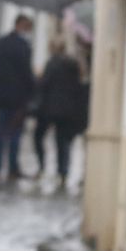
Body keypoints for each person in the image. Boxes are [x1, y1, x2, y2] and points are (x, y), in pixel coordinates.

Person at [31, 38, 86, 190]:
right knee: (63, 141)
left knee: (40, 137)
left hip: (52, 109)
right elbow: (78, 86)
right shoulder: (73, 65)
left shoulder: (52, 64)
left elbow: (43, 85)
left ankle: (44, 166)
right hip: (68, 110)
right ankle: (63, 171)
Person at [0, 13, 36, 182]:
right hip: (18, 99)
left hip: (2, 96)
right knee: (14, 134)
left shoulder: (1, 43)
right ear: (21, 25)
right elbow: (26, 74)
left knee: (1, 133)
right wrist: (31, 93)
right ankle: (12, 167)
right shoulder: (23, 47)